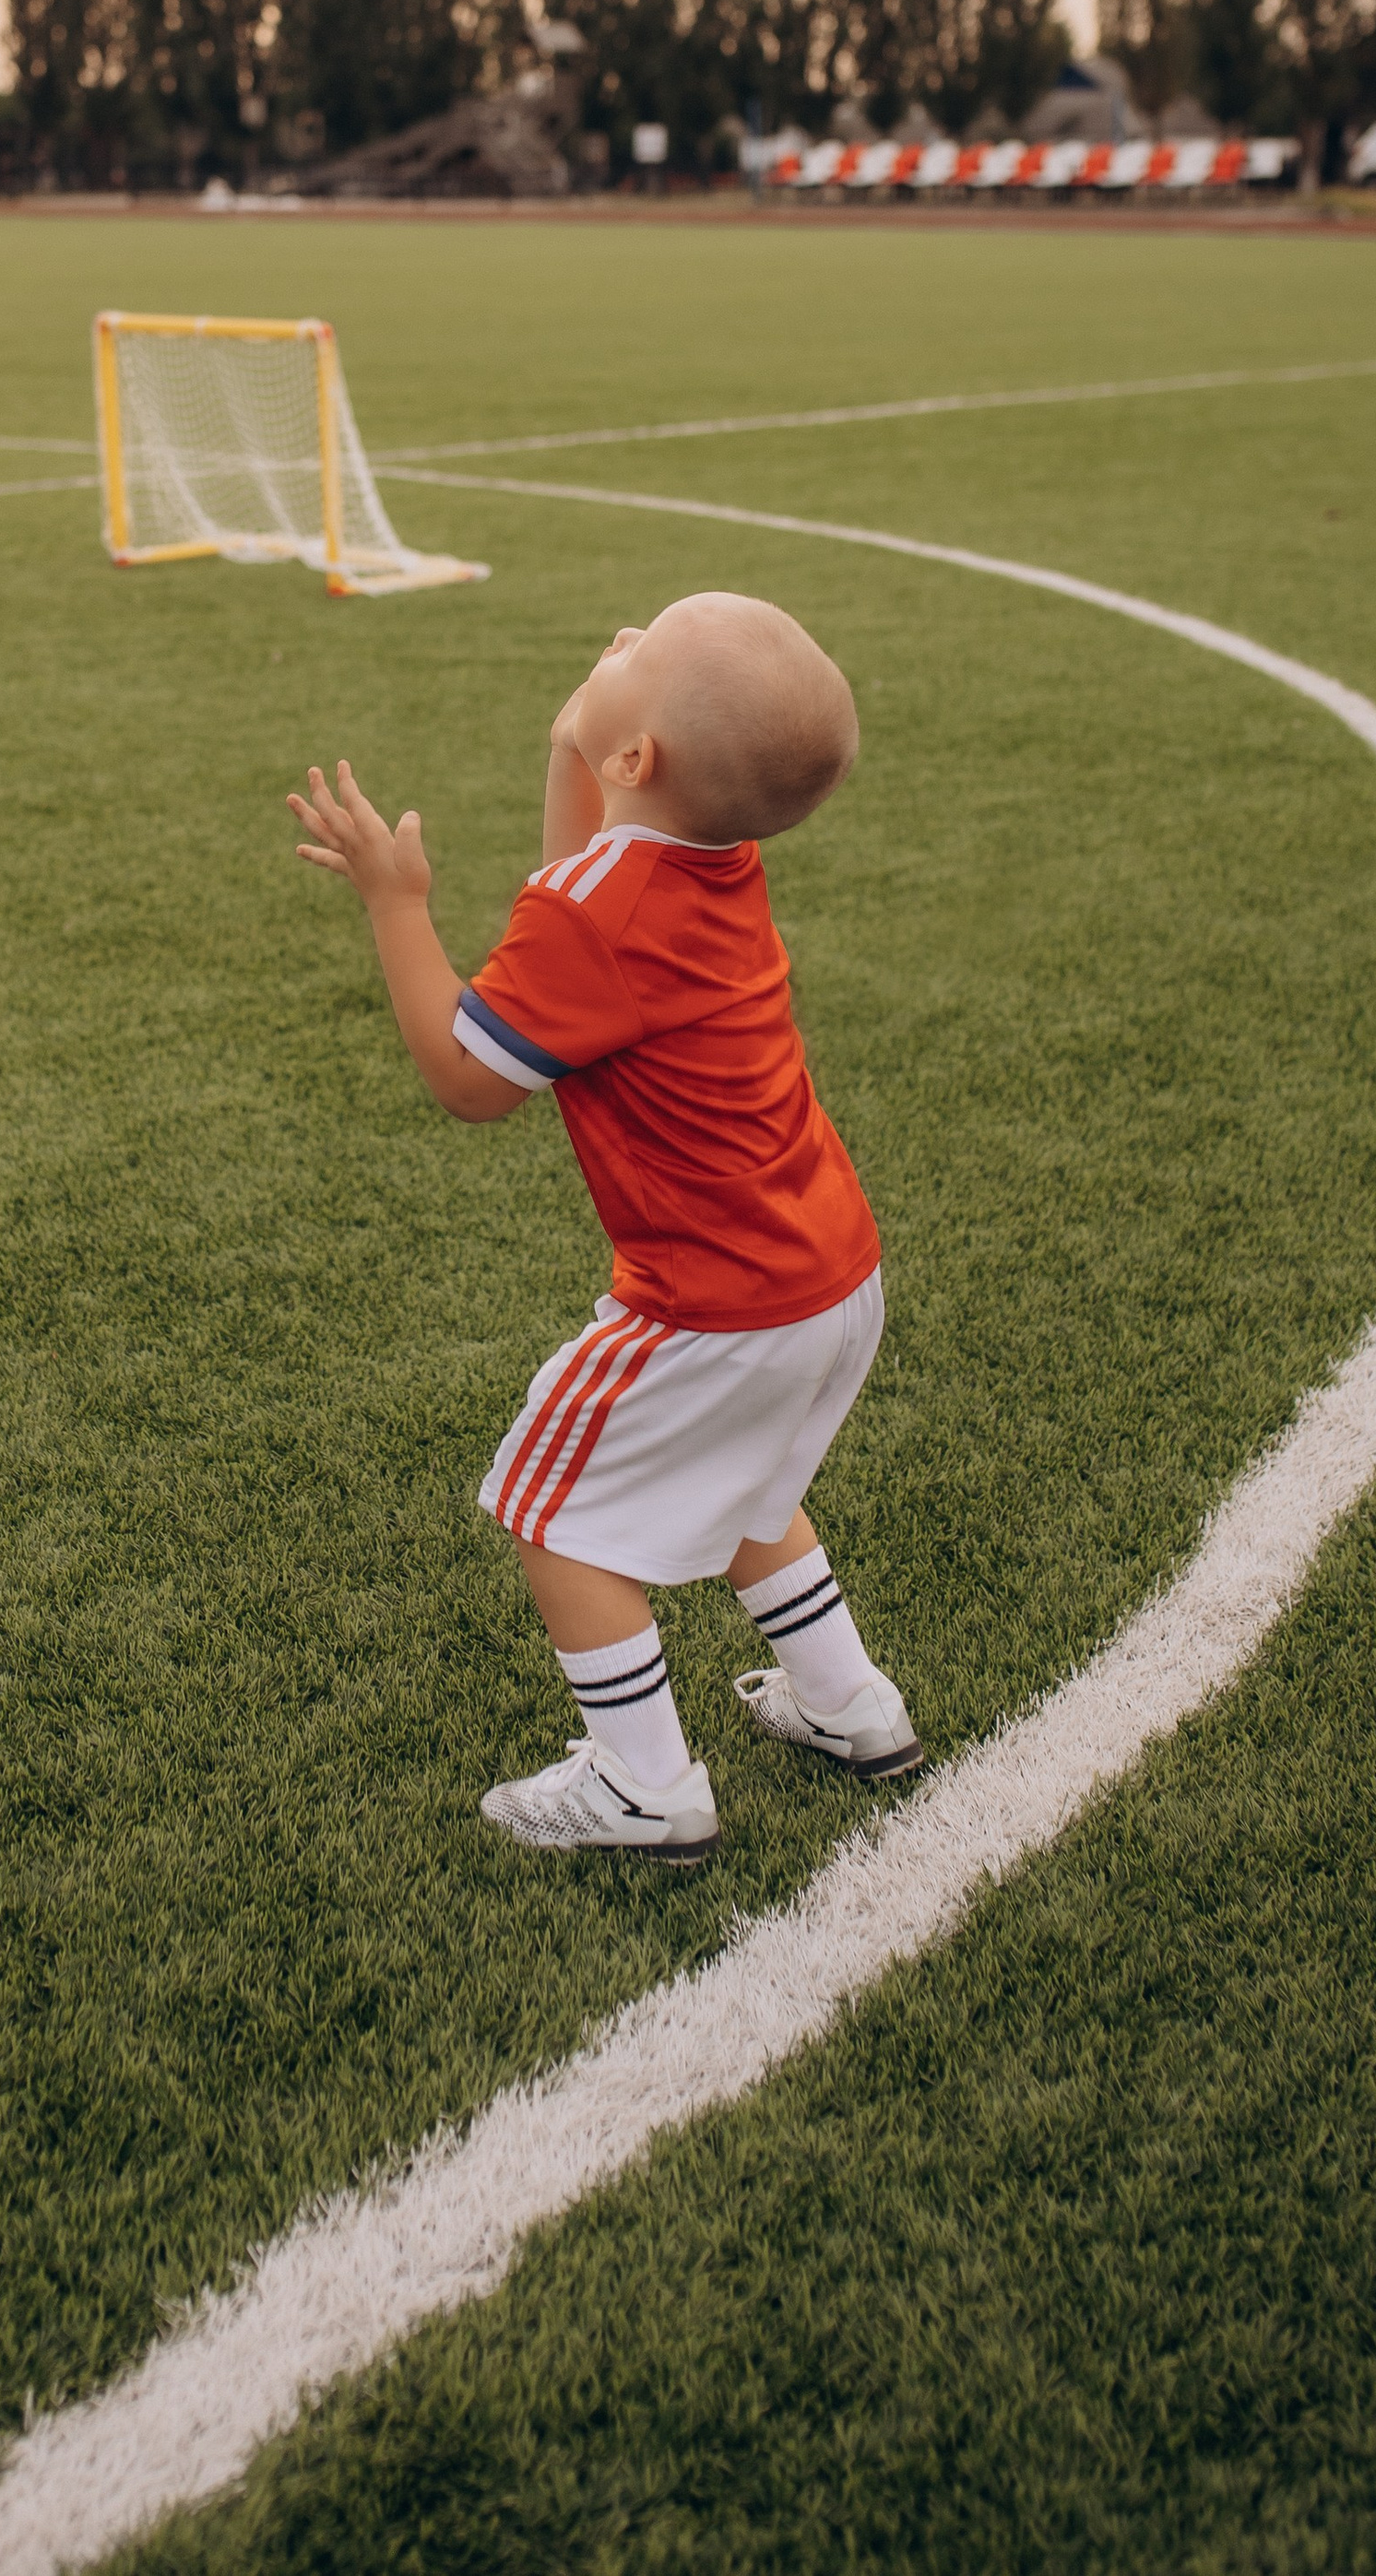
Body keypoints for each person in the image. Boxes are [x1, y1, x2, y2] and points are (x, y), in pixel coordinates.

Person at [287, 592, 917, 1863]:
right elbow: (576, 878)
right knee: (750, 1484)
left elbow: (475, 1081)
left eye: (645, 646)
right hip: (828, 1266)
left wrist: (397, 903)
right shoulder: (706, 855)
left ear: (641, 761)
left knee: (551, 1512)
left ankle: (644, 1785)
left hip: (719, 1300)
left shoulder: (604, 917)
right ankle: (853, 1704)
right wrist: (575, 740)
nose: (620, 640)